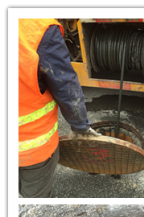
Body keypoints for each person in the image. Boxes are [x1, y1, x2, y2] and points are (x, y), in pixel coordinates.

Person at [19, 19, 99, 198]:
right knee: (36, 201)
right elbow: (65, 86)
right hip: (31, 148)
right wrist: (81, 126)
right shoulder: (38, 27)